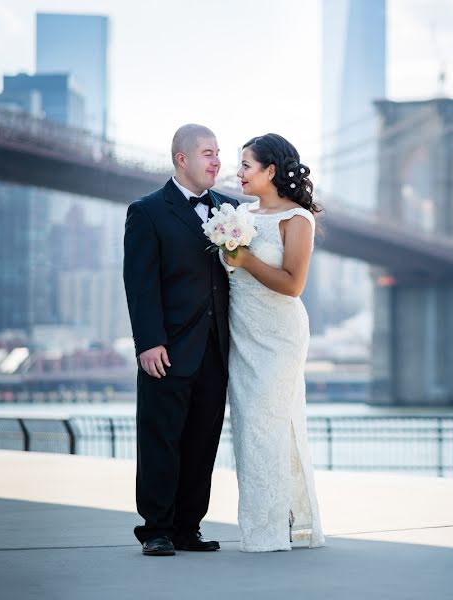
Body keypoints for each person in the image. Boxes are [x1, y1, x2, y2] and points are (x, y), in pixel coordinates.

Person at [123, 124, 237, 556]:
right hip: (167, 349)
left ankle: (189, 527)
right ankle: (156, 528)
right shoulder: (148, 211)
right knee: (160, 438)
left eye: (219, 153)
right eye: (208, 153)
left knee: (201, 442)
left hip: (217, 349)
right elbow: (140, 282)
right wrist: (148, 342)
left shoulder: (230, 209)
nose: (217, 161)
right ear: (182, 159)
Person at [222, 133, 325, 551]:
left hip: (280, 335)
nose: (238, 173)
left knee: (271, 424)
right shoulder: (238, 215)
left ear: (270, 171)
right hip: (241, 332)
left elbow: (293, 284)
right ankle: (265, 527)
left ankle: (282, 528)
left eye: (246, 165)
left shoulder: (298, 219)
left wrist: (244, 258)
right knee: (249, 428)